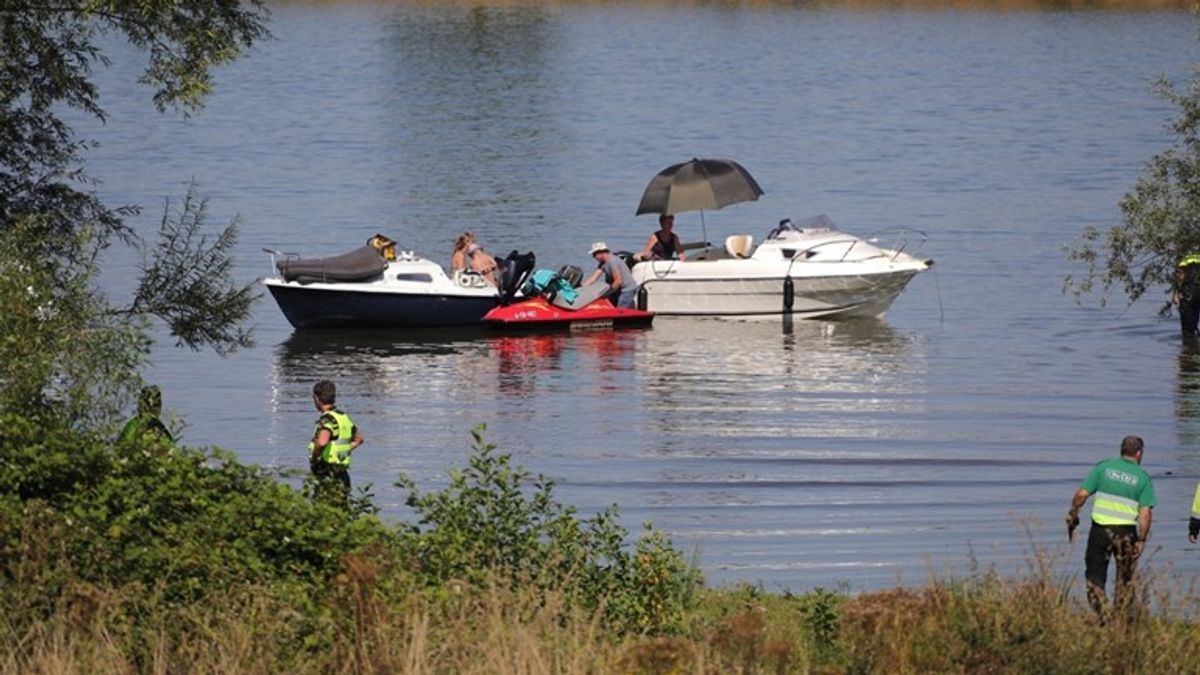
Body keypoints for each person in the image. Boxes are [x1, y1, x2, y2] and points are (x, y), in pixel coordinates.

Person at [1066, 435, 1155, 620]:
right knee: (1125, 579)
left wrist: (1073, 514)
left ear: (1121, 451)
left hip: (1100, 531)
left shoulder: (1104, 468)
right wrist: (1141, 539)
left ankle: (1105, 615)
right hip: (1126, 533)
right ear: (1139, 454)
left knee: (1094, 576)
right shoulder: (1143, 478)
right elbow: (1145, 514)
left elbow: (1081, 495)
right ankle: (1121, 620)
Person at [308, 380, 364, 506]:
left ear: (316, 398)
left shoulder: (327, 420)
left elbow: (322, 442)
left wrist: (315, 456)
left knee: (322, 513)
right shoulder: (343, 417)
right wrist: (344, 450)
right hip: (343, 475)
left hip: (327, 473)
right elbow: (359, 440)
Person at [583, 241, 638, 308]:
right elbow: (593, 278)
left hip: (627, 289)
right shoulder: (603, 263)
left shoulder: (612, 261)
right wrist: (582, 287)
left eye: (594, 255)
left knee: (620, 308)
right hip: (619, 289)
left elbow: (618, 281)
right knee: (611, 304)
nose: (593, 257)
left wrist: (608, 293)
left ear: (601, 252)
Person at [1173, 253, 1200, 337]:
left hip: (1189, 290)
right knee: (1195, 314)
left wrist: (1176, 293)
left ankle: (1188, 345)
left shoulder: (1184, 261)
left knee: (1187, 326)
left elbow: (1180, 276)